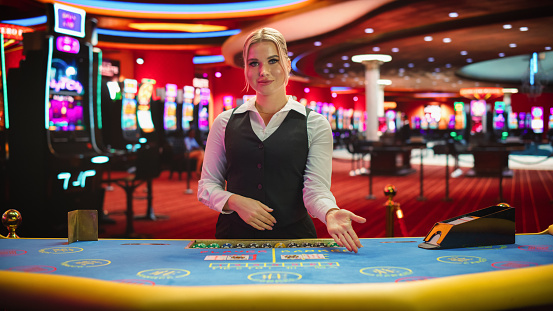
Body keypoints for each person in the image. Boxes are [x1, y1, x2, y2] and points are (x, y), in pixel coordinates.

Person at [197, 27, 366, 253]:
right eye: (253, 63)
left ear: (287, 64)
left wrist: (330, 212)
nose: (263, 71)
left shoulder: (314, 124)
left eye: (273, 61)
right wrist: (235, 201)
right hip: (235, 239)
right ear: (245, 69)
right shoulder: (224, 122)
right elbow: (207, 187)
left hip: (295, 238)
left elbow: (315, 190)